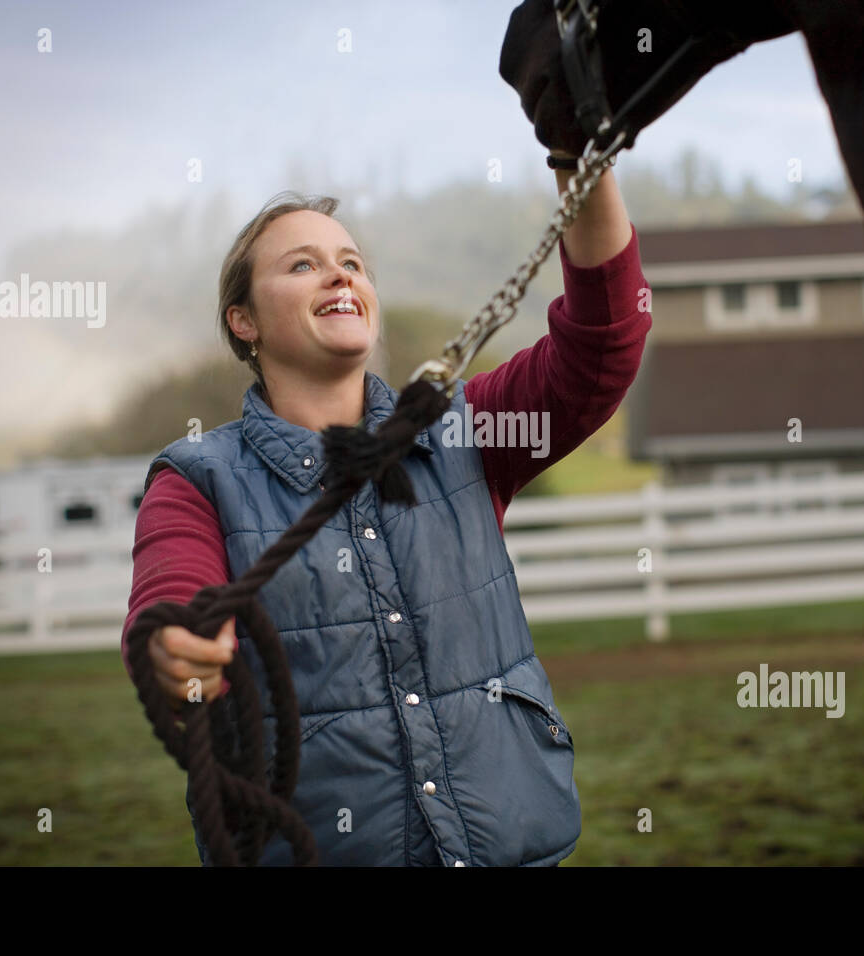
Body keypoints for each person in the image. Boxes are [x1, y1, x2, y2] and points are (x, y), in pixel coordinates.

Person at [122, 151, 650, 865]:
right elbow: (170, 605)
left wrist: (577, 157)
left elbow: (603, 345)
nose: (342, 275)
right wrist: (179, 650)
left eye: (353, 262)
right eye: (303, 265)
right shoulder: (195, 480)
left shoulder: (467, 431)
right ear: (242, 321)